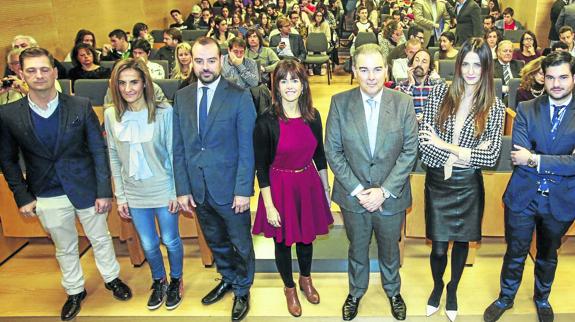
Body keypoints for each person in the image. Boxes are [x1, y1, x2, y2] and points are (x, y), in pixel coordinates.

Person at [0, 47, 132, 321]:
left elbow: (98, 150)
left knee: (100, 239)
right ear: (21, 74)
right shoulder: (9, 114)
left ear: (55, 72)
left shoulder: (79, 105)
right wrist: (22, 196)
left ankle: (111, 279)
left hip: (86, 188)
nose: (39, 75)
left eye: (44, 69)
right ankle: (74, 290)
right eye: (32, 70)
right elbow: (8, 161)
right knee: (65, 246)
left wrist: (104, 191)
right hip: (46, 192)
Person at [325, 43, 418, 321]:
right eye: (364, 69)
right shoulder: (340, 103)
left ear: (386, 70)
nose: (371, 76)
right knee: (357, 247)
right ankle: (356, 291)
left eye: (377, 69)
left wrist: (385, 191)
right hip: (354, 197)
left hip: (391, 196)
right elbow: (333, 150)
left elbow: (410, 151)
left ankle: (392, 290)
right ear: (354, 71)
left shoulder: (403, 103)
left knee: (390, 249)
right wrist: (358, 190)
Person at [483, 50, 575, 322]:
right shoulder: (526, 108)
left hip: (561, 199)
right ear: (542, 78)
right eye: (550, 77)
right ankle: (506, 297)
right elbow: (518, 156)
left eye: (563, 77)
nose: (556, 83)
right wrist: (563, 160)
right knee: (515, 251)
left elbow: (529, 157)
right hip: (523, 195)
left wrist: (535, 158)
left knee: (548, 254)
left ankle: (542, 298)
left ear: (573, 78)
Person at [418, 37, 505, 322]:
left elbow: (490, 156)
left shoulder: (494, 106)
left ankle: (453, 289)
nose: (470, 71)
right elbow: (425, 148)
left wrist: (446, 146)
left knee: (462, 241)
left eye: (477, 65)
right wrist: (466, 152)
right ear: (458, 65)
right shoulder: (438, 93)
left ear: (486, 68)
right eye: (465, 63)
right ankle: (437, 286)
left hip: (468, 185)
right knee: (439, 246)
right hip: (437, 183)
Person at [172, 37, 256, 321]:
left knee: (240, 243)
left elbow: (247, 148)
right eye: (199, 61)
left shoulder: (239, 95)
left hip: (231, 190)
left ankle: (243, 289)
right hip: (198, 189)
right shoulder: (181, 97)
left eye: (211, 60)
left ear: (221, 60)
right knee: (216, 240)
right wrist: (182, 189)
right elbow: (179, 146)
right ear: (190, 62)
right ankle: (228, 278)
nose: (205, 67)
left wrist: (244, 189)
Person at [251, 60, 333, 317]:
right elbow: (261, 168)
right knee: (283, 242)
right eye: (283, 80)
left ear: (303, 84)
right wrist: (270, 205)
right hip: (279, 187)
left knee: (307, 238)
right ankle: (289, 288)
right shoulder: (266, 121)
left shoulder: (313, 115)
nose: (289, 86)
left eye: (294, 80)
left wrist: (325, 188)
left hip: (307, 183)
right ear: (276, 85)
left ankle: (305, 279)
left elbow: (319, 155)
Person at [104, 58, 183, 311]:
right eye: (122, 83)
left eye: (134, 82)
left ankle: (176, 281)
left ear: (144, 83)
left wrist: (174, 190)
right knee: (148, 243)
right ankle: (158, 280)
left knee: (170, 240)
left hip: (163, 188)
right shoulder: (110, 114)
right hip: (134, 193)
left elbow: (173, 154)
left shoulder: (164, 112)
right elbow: (114, 157)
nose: (128, 89)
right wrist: (121, 196)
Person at [395, 49, 444, 122]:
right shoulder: (401, 86)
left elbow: (442, 113)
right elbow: (401, 113)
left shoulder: (437, 87)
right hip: (409, 128)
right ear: (411, 64)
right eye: (417, 60)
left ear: (429, 68)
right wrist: (411, 85)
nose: (419, 64)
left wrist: (425, 118)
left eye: (424, 62)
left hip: (430, 128)